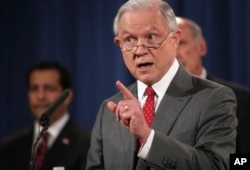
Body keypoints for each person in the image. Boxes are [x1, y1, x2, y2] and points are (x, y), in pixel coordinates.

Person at [86, 0, 237, 169]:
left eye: (151, 37)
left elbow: (217, 166)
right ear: (119, 44)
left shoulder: (213, 98)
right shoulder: (109, 110)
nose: (139, 50)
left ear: (175, 39)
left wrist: (147, 136)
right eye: (129, 39)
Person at [176, 16, 250, 153]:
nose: (174, 54)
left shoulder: (241, 99)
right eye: (168, 46)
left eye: (181, 43)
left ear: (202, 47)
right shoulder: (155, 99)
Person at [0, 60, 90, 170]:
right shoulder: (8, 148)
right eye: (34, 89)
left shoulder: (88, 146)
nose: (40, 96)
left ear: (67, 96)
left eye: (49, 88)